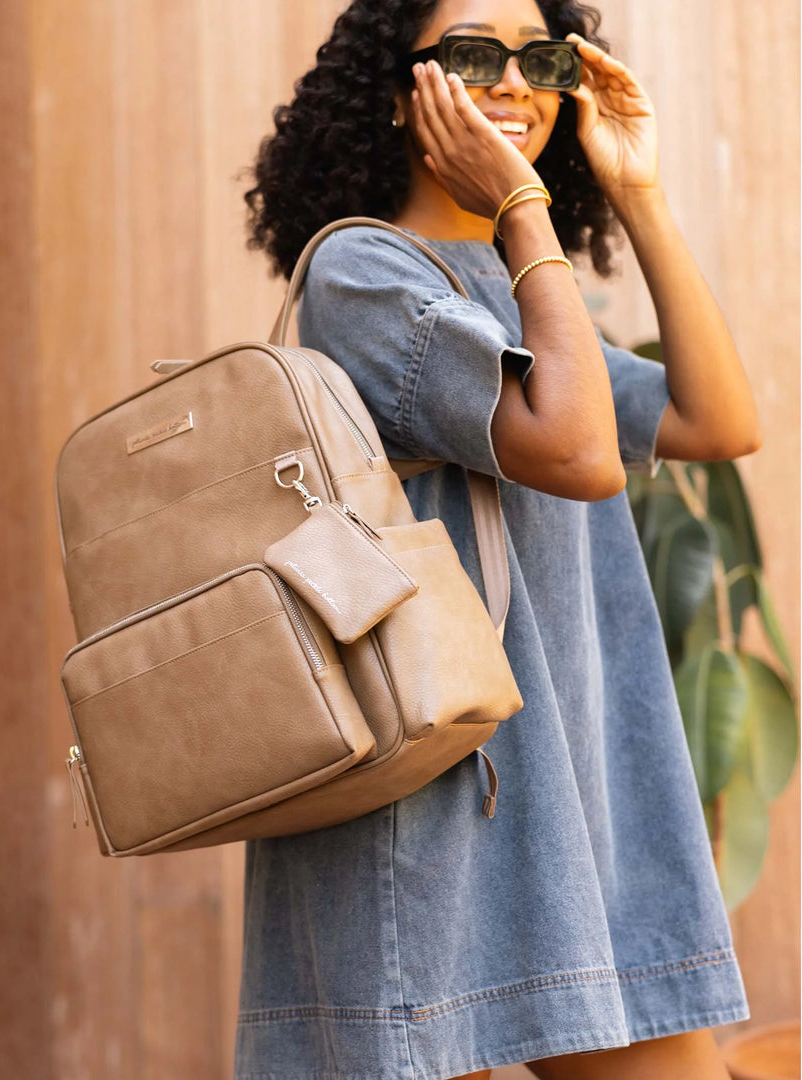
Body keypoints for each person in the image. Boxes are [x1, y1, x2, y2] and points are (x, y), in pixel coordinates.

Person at [236, 0, 762, 1078]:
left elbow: (719, 423)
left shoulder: (528, 294)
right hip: (437, 795)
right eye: (474, 55)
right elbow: (576, 451)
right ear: (399, 94)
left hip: (578, 781)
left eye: (542, 58)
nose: (514, 83)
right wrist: (525, 209)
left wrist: (639, 195)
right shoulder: (363, 276)